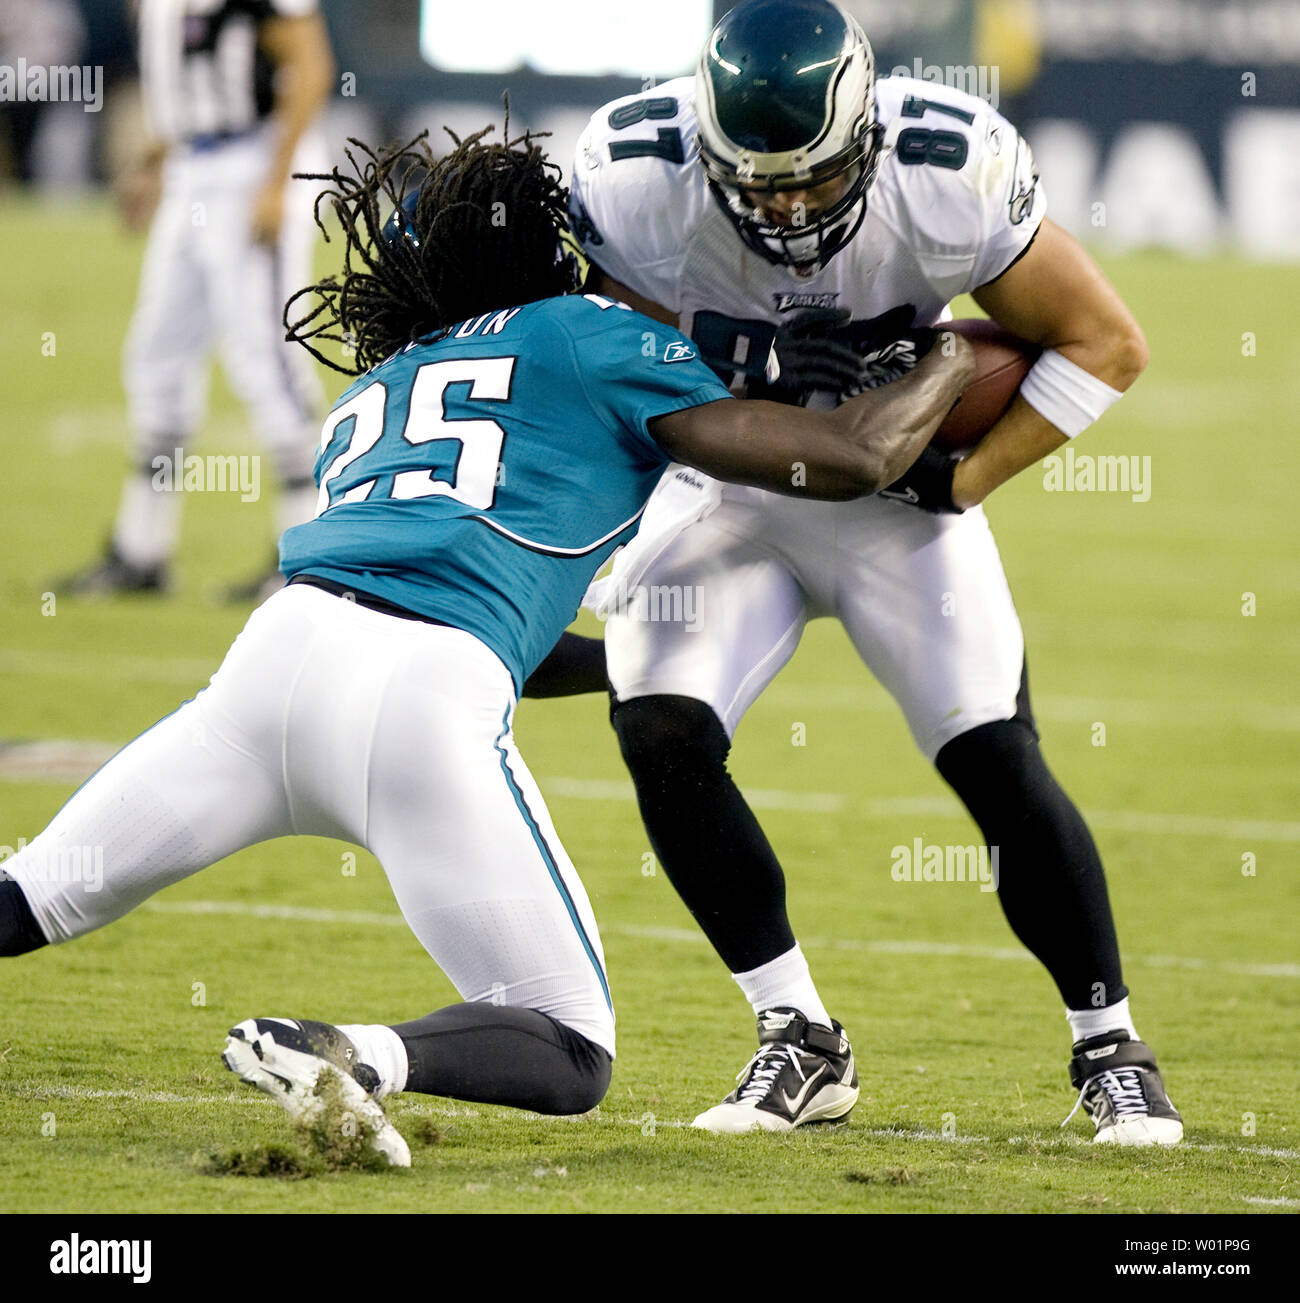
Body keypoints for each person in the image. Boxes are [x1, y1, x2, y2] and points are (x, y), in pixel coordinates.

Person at [0, 123, 974, 1165]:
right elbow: (853, 456)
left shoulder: (370, 394)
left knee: (30, 895)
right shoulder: (589, 332)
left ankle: (348, 1052)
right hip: (423, 701)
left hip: (267, 673)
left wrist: (622, 666)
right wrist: (955, 355)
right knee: (569, 1045)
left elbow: (462, 599)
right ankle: (350, 1051)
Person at [568, 0, 1183, 1144]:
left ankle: (1109, 1043)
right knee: (657, 728)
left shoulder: (948, 168)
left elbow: (1106, 342)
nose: (790, 208)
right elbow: (592, 348)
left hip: (897, 498)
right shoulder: (629, 172)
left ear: (868, 130)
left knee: (995, 760)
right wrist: (733, 359)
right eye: (761, 184)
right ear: (703, 146)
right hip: (732, 487)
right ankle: (796, 1033)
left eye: (812, 177)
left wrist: (965, 480)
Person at [62, 0, 335, 599]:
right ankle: (142, 549)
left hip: (251, 162)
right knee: (158, 354)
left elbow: (311, 66)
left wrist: (275, 181)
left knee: (266, 357)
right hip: (194, 167)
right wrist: (157, 162)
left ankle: (311, 558)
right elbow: (187, 80)